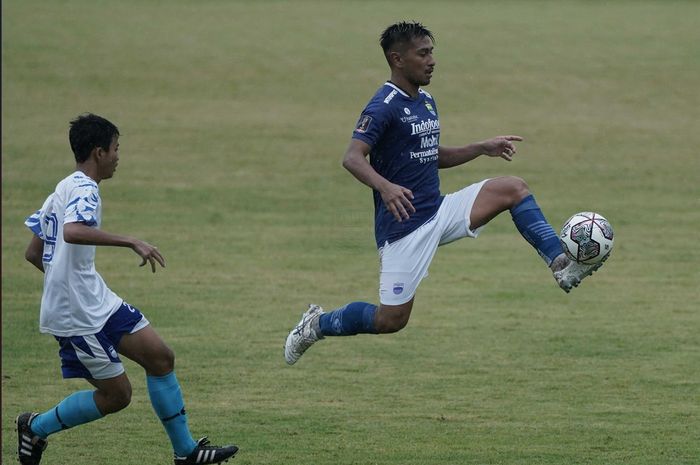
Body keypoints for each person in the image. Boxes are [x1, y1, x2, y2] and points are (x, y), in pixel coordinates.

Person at [284, 21, 607, 365]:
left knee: (512, 188)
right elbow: (352, 157)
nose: (432, 60)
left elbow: (429, 154)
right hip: (404, 229)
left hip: (439, 210)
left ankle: (561, 264)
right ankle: (316, 324)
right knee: (391, 320)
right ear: (397, 59)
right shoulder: (383, 106)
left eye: (432, 52)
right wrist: (385, 186)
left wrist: (480, 147)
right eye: (423, 54)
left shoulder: (426, 101)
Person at [17, 114, 239, 465]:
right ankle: (35, 427)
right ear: (99, 152)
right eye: (116, 149)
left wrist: (64, 278)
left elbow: (33, 251)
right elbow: (73, 231)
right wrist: (131, 241)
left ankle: (187, 454)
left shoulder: (62, 187)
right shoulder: (85, 189)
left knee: (160, 357)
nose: (119, 156)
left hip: (95, 299)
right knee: (117, 396)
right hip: (77, 314)